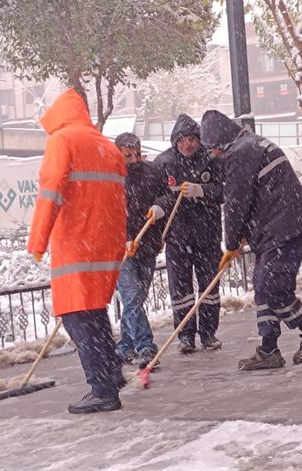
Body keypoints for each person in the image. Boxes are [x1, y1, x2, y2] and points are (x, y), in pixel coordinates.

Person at [199, 109, 302, 371]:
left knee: (271, 285)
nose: (212, 154)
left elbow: (236, 202)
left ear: (221, 140)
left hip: (284, 227)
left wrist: (232, 243)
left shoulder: (240, 153)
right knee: (262, 285)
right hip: (278, 226)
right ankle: (269, 348)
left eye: (212, 148)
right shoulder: (251, 144)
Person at [27, 89, 127, 414]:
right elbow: (120, 200)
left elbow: (51, 191)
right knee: (95, 312)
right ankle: (111, 372)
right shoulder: (106, 145)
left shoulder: (62, 141)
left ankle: (103, 388)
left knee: (77, 317)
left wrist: (38, 242)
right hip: (106, 244)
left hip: (77, 245)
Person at [152, 114, 224, 354]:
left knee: (209, 289)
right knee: (181, 290)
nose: (188, 145)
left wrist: (201, 191)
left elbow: (224, 191)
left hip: (208, 236)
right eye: (182, 140)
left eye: (192, 139)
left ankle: (208, 333)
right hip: (178, 238)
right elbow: (160, 195)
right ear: (175, 141)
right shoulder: (164, 163)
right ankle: (185, 336)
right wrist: (160, 208)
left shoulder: (211, 158)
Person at [114, 132, 164, 367]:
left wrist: (159, 206)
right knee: (132, 296)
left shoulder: (151, 172)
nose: (134, 160)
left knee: (136, 298)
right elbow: (106, 215)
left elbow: (167, 196)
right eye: (128, 155)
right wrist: (123, 239)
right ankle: (146, 347)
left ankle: (124, 347)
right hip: (120, 251)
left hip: (148, 244)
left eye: (137, 153)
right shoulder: (110, 178)